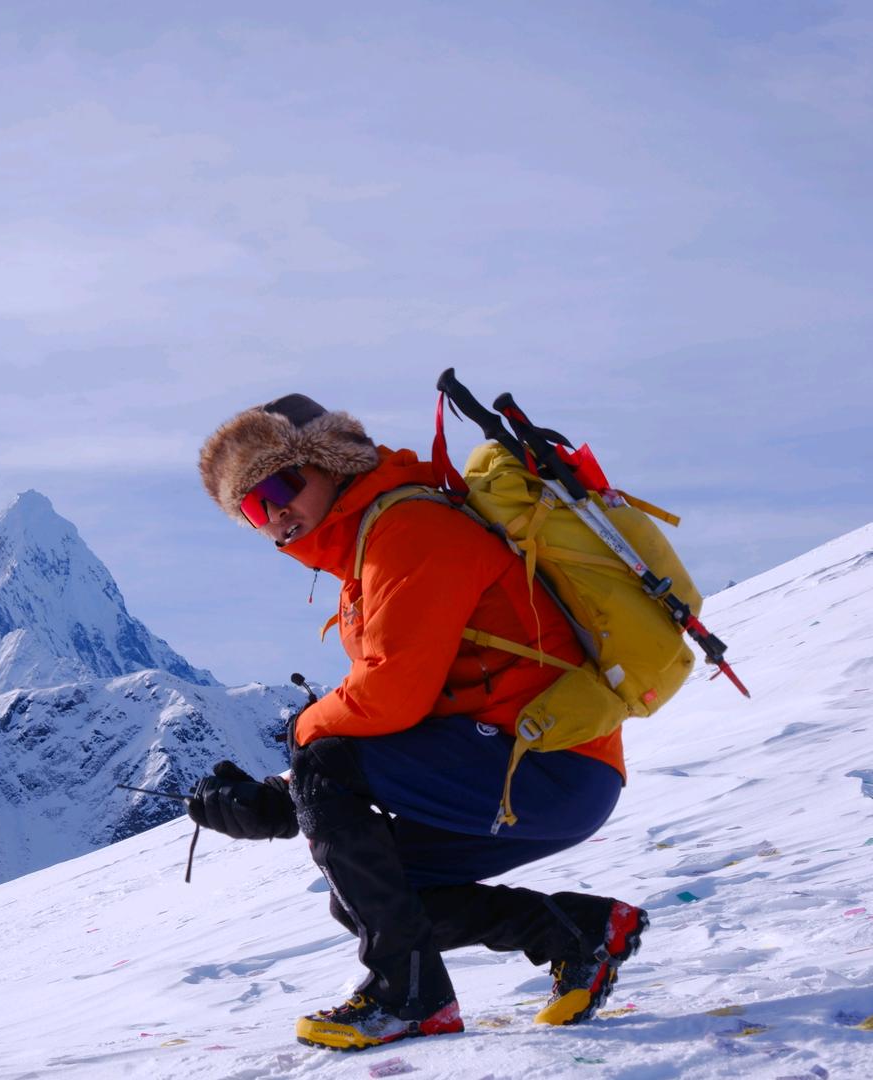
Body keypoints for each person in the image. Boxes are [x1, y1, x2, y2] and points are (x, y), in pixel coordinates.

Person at [190, 393, 648, 1052]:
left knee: (326, 760)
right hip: (534, 769)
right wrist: (286, 798)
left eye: (283, 485)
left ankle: (408, 997)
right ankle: (577, 935)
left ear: (331, 462)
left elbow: (393, 698)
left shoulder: (408, 530)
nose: (277, 512)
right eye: (255, 508)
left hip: (548, 767)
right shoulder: (369, 551)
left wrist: (303, 744)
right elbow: (404, 711)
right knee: (367, 894)